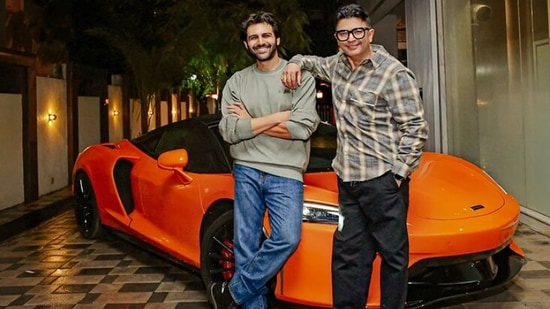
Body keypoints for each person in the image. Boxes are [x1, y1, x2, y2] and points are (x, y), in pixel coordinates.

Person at [281, 4, 428, 309]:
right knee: (349, 256)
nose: (351, 38)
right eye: (343, 33)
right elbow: (311, 62)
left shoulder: (393, 74)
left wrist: (398, 175)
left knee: (393, 257)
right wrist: (294, 62)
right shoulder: (337, 65)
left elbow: (415, 128)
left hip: (383, 183)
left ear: (369, 33)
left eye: (357, 31)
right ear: (337, 38)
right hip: (348, 183)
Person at [211, 11, 320, 309]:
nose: (260, 42)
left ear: (277, 39)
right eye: (253, 37)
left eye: (266, 35)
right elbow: (230, 131)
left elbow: (302, 128)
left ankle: (232, 292)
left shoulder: (300, 78)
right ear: (247, 44)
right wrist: (277, 117)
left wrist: (252, 121)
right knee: (245, 245)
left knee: (286, 237)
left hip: (286, 172)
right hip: (245, 168)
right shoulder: (237, 82)